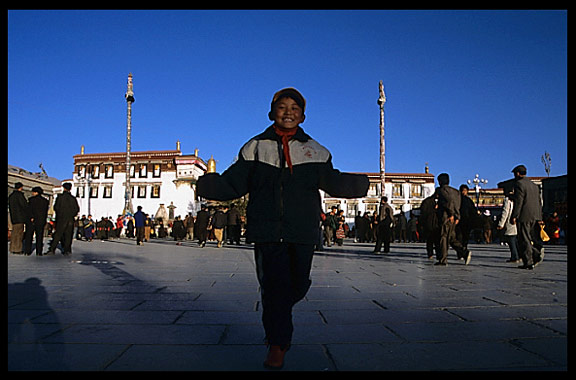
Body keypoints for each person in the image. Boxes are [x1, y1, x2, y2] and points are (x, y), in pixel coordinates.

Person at [196, 87, 369, 370]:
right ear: (271, 112)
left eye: (294, 108)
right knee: (275, 288)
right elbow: (234, 182)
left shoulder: (316, 150)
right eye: (282, 107)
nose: (288, 112)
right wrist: (205, 185)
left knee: (297, 285)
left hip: (302, 229)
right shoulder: (254, 147)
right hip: (266, 229)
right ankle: (277, 343)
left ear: (302, 115)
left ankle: (279, 310)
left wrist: (359, 184)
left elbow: (332, 180)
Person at [509, 165, 544, 269]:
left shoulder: (519, 184)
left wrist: (514, 215)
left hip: (524, 215)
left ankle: (530, 260)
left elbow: (519, 202)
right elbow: (539, 202)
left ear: (518, 173)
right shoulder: (534, 185)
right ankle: (535, 253)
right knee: (529, 237)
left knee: (524, 239)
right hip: (535, 215)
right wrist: (540, 217)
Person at [435, 173, 471, 265]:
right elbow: (458, 204)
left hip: (446, 217)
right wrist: (457, 216)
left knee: (443, 238)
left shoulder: (442, 191)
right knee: (451, 238)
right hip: (454, 218)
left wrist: (451, 214)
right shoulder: (456, 192)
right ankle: (464, 252)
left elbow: (448, 203)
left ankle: (443, 260)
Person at [47, 183, 80, 255]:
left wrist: (60, 214)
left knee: (58, 234)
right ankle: (67, 250)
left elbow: (56, 207)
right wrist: (71, 215)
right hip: (70, 219)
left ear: (64, 188)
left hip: (61, 219)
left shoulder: (60, 197)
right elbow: (76, 209)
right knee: (68, 235)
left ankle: (52, 249)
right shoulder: (73, 199)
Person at [497, 179, 519, 263]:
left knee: (511, 240)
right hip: (517, 221)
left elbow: (505, 212)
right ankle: (518, 255)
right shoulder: (516, 198)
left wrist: (501, 223)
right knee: (515, 239)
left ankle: (515, 256)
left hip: (510, 221)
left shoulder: (507, 199)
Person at [24, 187, 49, 256]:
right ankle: (39, 251)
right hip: (41, 221)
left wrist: (31, 217)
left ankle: (27, 251)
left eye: (33, 192)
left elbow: (29, 210)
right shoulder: (45, 201)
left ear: (36, 192)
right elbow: (45, 212)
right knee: (39, 237)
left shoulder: (31, 200)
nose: (32, 193)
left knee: (29, 236)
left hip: (31, 220)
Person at [8, 182, 29, 255]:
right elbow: (24, 206)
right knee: (19, 233)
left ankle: (12, 247)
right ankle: (18, 248)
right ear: (21, 187)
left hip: (13, 217)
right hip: (20, 217)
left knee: (14, 233)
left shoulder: (11, 196)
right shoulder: (20, 195)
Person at [419, 192, 438, 259]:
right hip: (433, 223)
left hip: (428, 223)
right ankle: (436, 254)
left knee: (430, 240)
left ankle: (430, 254)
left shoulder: (426, 201)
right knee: (435, 240)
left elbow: (422, 213)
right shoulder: (430, 202)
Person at [457, 184, 476, 250]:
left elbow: (473, 211)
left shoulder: (469, 201)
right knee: (459, 236)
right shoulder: (458, 200)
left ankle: (464, 248)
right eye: (462, 190)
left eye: (465, 190)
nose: (463, 192)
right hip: (459, 220)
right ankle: (461, 250)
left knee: (465, 236)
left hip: (467, 221)